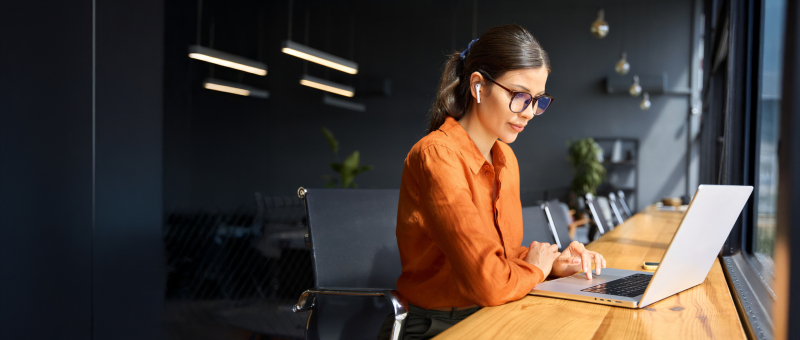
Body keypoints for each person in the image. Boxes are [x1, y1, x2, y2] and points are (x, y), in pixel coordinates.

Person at [377, 24, 607, 340]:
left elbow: (498, 256)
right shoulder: (437, 156)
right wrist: (536, 269)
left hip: (494, 313)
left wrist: (553, 263)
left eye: (537, 100)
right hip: (438, 325)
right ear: (478, 86)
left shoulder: (505, 159)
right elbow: (488, 282)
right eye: (519, 96)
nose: (528, 112)